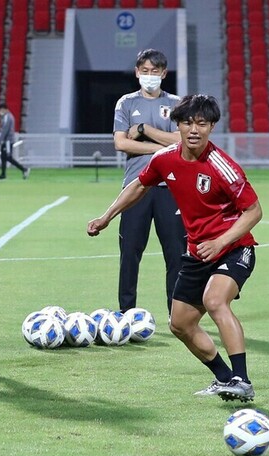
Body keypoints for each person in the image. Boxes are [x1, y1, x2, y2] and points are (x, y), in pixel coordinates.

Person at [89, 95, 263, 402]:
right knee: (180, 324)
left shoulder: (223, 166)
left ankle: (242, 380)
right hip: (197, 253)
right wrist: (107, 216)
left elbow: (254, 211)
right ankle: (224, 378)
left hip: (234, 248)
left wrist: (221, 241)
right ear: (178, 125)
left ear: (212, 127)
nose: (194, 130)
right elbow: (139, 185)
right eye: (187, 123)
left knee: (214, 301)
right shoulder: (164, 159)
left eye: (202, 124)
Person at [113, 48, 186, 315]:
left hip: (171, 187)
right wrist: (161, 148)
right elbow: (121, 143)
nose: (149, 75)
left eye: (155, 71)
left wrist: (144, 130)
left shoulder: (177, 104)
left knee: (176, 254)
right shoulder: (126, 103)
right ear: (137, 72)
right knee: (130, 252)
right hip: (136, 186)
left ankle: (177, 315)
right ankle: (126, 313)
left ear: (164, 73)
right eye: (145, 71)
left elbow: (181, 141)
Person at [0, 103, 29, 179]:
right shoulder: (9, 116)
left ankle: (24, 169)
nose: (0, 112)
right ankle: (3, 174)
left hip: (7, 141)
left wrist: (0, 140)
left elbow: (5, 130)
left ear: (4, 109)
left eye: (0, 110)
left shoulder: (7, 117)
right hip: (7, 140)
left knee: (8, 157)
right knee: (3, 157)